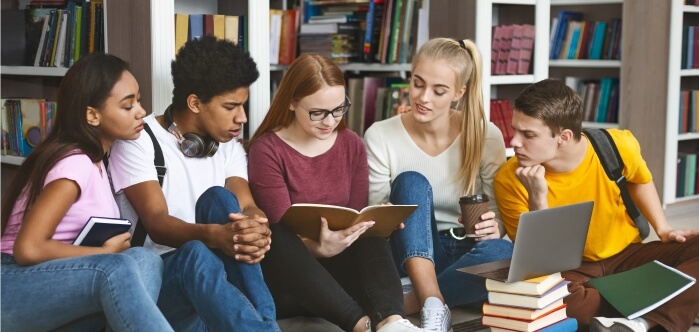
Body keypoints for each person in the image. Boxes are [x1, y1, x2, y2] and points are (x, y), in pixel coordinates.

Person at [493, 78, 699, 332]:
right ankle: (671, 305)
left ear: (564, 137)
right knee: (549, 298)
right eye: (515, 130)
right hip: (572, 271)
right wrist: (538, 198)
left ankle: (642, 322)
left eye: (528, 134)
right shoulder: (509, 178)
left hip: (628, 255)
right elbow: (539, 263)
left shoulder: (617, 145)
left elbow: (640, 180)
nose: (514, 142)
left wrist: (664, 228)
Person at [108, 36, 280, 331]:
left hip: (216, 290)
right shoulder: (139, 141)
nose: (243, 117)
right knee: (196, 253)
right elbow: (158, 223)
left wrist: (256, 227)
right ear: (195, 103)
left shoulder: (228, 145)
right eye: (231, 106)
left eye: (243, 105)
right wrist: (217, 236)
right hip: (159, 287)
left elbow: (248, 205)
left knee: (219, 200)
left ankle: (264, 326)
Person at [248, 54, 425, 332]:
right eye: (318, 112)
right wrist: (318, 248)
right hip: (290, 281)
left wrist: (380, 221)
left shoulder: (351, 144)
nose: (329, 121)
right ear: (292, 102)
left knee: (370, 231)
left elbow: (354, 217)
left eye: (339, 109)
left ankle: (392, 322)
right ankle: (360, 325)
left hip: (342, 275)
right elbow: (281, 245)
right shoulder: (267, 150)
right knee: (275, 232)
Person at [1, 53, 172, 331]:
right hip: (13, 282)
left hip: (53, 280)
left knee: (146, 260)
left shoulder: (99, 160)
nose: (141, 111)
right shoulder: (75, 163)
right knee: (117, 267)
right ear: (92, 115)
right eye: (128, 106)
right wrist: (101, 252)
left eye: (138, 101)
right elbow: (27, 249)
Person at [364, 38, 514, 332]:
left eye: (439, 90)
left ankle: (411, 300)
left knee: (506, 257)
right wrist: (383, 213)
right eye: (418, 83)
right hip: (409, 252)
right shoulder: (380, 135)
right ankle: (433, 298)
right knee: (411, 182)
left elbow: (500, 220)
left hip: (467, 251)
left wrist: (495, 226)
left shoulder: (486, 135)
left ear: (459, 92)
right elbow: (376, 224)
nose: (423, 97)